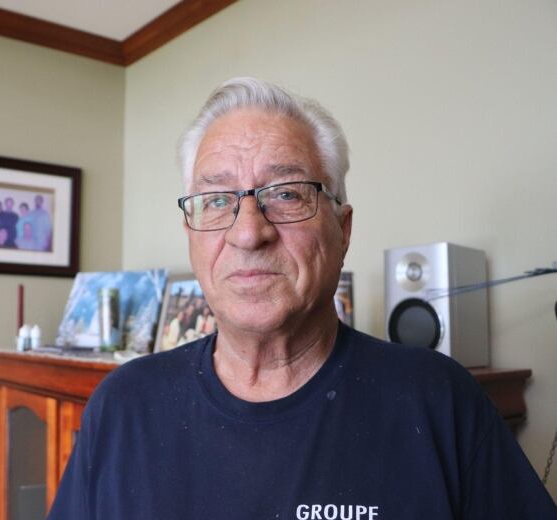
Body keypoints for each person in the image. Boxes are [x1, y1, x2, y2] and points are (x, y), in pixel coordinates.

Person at [47, 78, 556, 519]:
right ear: (190, 231)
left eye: (286, 194)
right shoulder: (123, 404)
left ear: (343, 227)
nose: (248, 233)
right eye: (218, 199)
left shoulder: (438, 399)